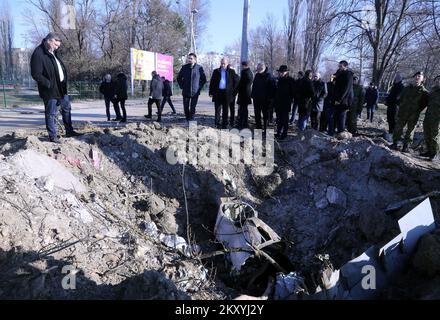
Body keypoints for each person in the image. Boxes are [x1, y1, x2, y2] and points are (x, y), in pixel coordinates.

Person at [30, 32, 81, 143]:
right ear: (49, 41)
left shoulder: (52, 52)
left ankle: (69, 131)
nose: (57, 48)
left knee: (66, 108)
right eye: (56, 45)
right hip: (50, 90)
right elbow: (36, 74)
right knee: (51, 113)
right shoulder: (38, 54)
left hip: (61, 88)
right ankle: (53, 136)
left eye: (58, 46)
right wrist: (49, 84)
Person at [391, 71, 429, 153]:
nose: (417, 77)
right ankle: (395, 143)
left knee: (410, 130)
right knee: (398, 128)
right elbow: (400, 99)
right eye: (416, 76)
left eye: (419, 76)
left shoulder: (424, 92)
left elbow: (423, 105)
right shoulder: (406, 88)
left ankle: (406, 146)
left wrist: (416, 111)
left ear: (423, 79)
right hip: (402, 113)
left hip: (413, 115)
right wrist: (401, 107)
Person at [209, 57, 239, 129]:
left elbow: (236, 83)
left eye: (224, 64)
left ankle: (224, 124)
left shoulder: (232, 72)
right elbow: (212, 82)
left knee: (225, 110)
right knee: (217, 110)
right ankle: (217, 123)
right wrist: (211, 92)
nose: (223, 65)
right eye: (222, 63)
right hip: (218, 93)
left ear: (227, 64)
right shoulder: (216, 71)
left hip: (227, 94)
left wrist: (234, 93)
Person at [177, 53, 207, 121]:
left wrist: (199, 87)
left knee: (193, 107)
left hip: (195, 92)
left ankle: (191, 120)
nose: (189, 60)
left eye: (191, 58)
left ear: (195, 60)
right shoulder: (184, 67)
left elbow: (204, 79)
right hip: (186, 91)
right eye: (188, 58)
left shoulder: (199, 68)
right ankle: (188, 119)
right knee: (186, 107)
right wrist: (182, 86)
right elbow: (179, 78)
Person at [251, 63, 276, 132]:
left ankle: (265, 129)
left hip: (265, 100)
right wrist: (253, 95)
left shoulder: (269, 76)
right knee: (257, 115)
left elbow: (273, 89)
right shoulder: (257, 75)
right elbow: (254, 86)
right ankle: (258, 128)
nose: (258, 70)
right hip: (257, 99)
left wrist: (270, 99)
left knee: (265, 116)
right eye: (257, 68)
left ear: (263, 68)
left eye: (259, 69)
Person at [421, 75, 440, 161]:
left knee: (434, 136)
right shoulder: (433, 90)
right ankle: (429, 151)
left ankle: (435, 154)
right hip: (428, 115)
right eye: (437, 80)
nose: (438, 81)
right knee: (427, 133)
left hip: (437, 118)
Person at [274, 65, 295, 140]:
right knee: (279, 119)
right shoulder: (279, 80)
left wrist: (290, 99)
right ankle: (278, 132)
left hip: (286, 103)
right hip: (278, 103)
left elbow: (293, 92)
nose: (280, 73)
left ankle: (284, 133)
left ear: (286, 72)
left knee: (285, 119)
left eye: (282, 72)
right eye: (280, 72)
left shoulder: (291, 80)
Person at [333, 60, 354, 133]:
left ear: (346, 66)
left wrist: (339, 99)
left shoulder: (348, 75)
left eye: (341, 66)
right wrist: (333, 78)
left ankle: (341, 133)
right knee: (337, 117)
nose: (339, 67)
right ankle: (339, 132)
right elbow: (333, 79)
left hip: (344, 100)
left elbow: (346, 89)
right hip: (338, 99)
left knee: (341, 117)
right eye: (339, 66)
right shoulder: (339, 73)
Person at [237, 61, 254, 129]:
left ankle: (243, 123)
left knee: (243, 110)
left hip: (244, 93)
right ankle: (243, 123)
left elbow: (243, 83)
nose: (242, 67)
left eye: (243, 65)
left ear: (245, 66)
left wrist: (238, 88)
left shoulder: (246, 72)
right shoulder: (248, 72)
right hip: (245, 93)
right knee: (243, 109)